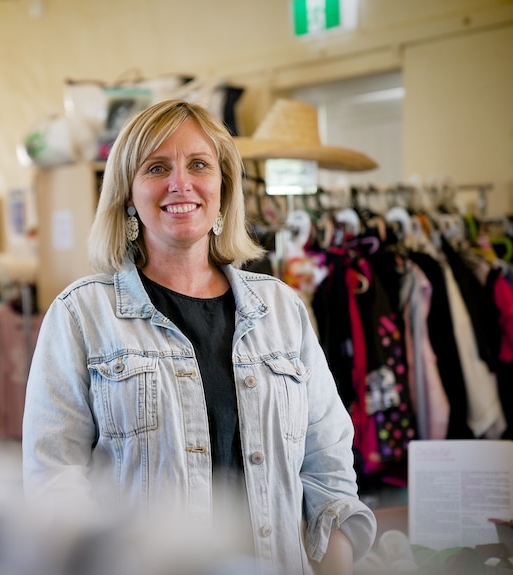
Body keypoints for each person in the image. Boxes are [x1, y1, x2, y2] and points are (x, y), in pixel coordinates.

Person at [21, 99, 377, 574]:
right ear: (128, 192)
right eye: (156, 167)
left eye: (198, 164)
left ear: (224, 186)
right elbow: (55, 484)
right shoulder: (81, 315)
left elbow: (329, 470)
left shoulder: (281, 311)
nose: (180, 184)